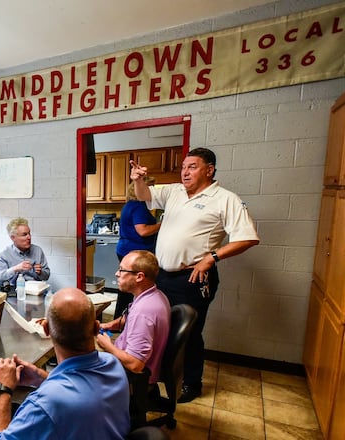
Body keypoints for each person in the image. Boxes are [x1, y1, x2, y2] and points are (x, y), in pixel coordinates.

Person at [130, 147, 259, 403]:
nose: (185, 172)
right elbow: (145, 195)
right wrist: (138, 180)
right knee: (156, 328)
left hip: (192, 278)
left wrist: (212, 258)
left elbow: (248, 238)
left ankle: (191, 383)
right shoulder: (175, 191)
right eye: (184, 167)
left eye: (192, 167)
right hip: (162, 276)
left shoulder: (225, 199)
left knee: (188, 334)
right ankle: (156, 379)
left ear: (209, 170)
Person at [0, 288, 131, 439]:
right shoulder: (113, 364)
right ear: (95, 328)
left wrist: (2, 390)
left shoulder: (45, 405)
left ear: (46, 329)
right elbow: (81, 391)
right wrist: (40, 377)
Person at [97, 250, 170, 389]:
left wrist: (108, 346)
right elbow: (131, 318)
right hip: (128, 361)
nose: (117, 274)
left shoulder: (143, 312)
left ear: (139, 277)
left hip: (130, 375)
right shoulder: (154, 294)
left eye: (121, 270)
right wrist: (109, 325)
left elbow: (135, 365)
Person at [114, 176, 161, 317]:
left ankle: (121, 318)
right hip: (134, 253)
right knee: (132, 288)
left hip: (126, 250)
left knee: (126, 287)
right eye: (151, 187)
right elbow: (143, 230)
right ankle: (126, 318)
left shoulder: (130, 205)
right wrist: (162, 225)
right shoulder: (139, 206)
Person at [0, 217, 50, 291]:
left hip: (34, 292)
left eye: (29, 233)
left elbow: (46, 276)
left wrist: (40, 272)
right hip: (13, 293)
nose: (29, 237)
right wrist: (15, 269)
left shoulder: (37, 250)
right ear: (13, 237)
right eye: (24, 234)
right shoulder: (4, 254)